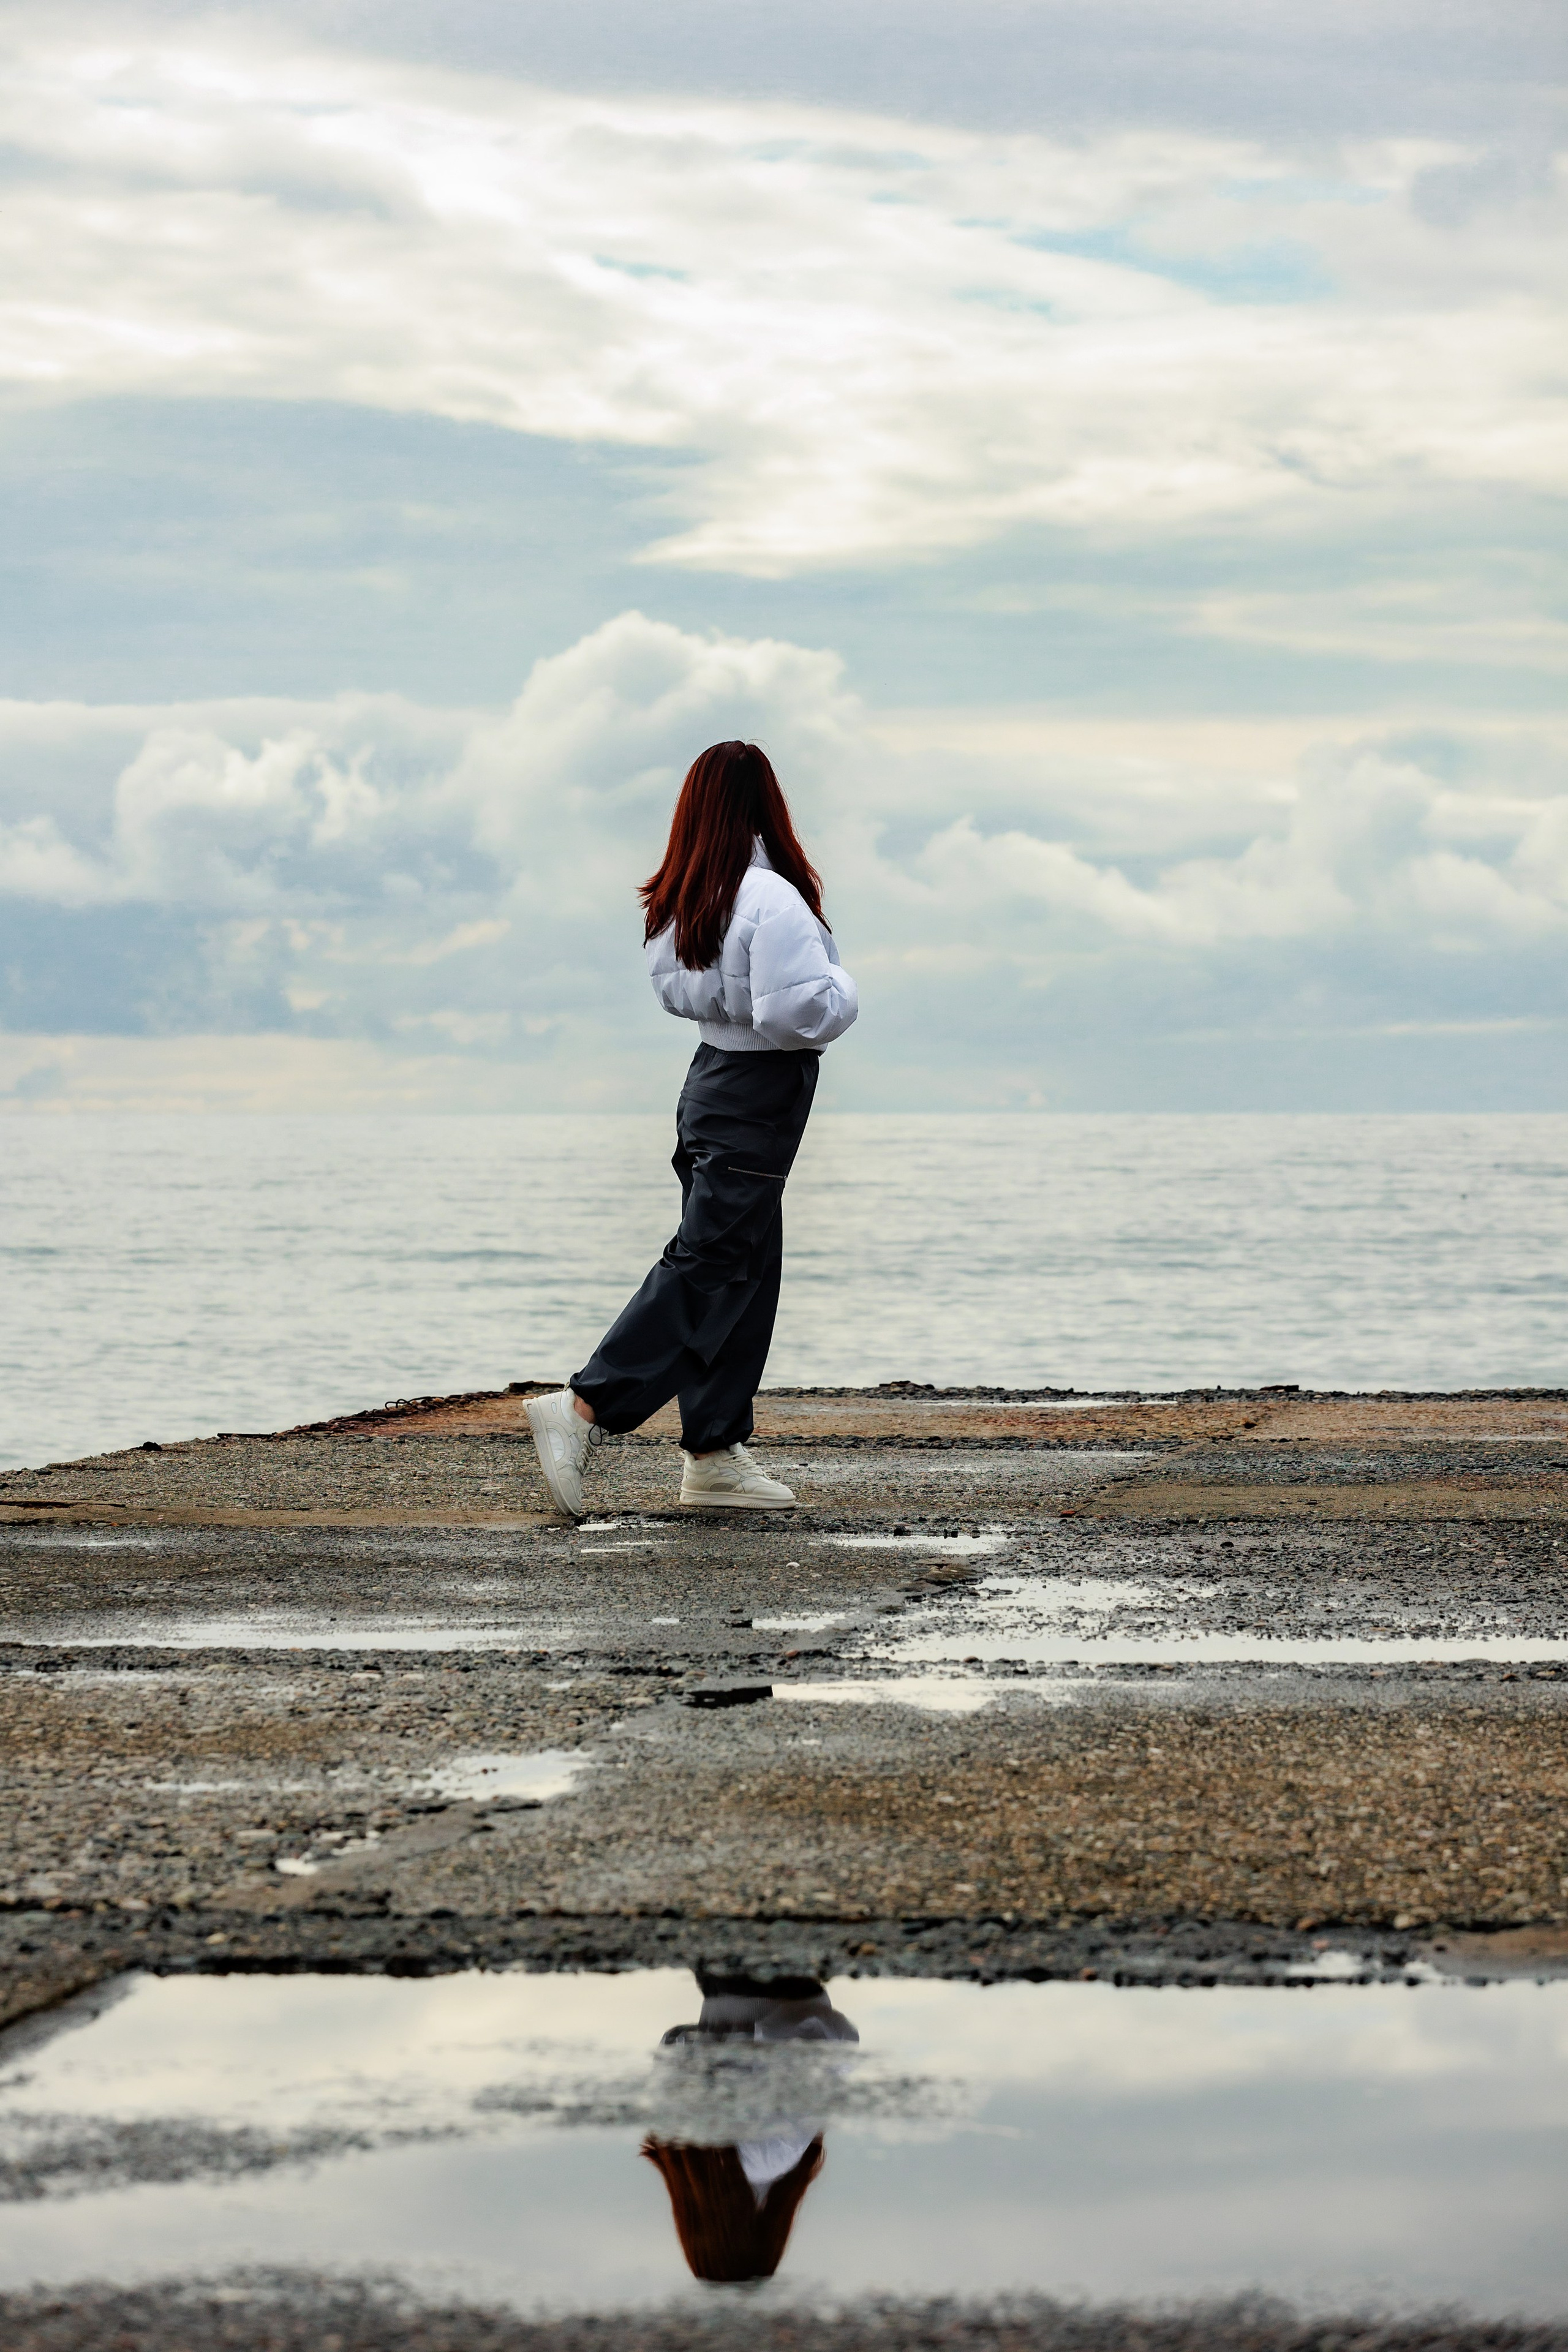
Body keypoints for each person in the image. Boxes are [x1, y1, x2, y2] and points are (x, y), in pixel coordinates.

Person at [526, 740, 857, 1518]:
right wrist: (846, 988)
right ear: (767, 804)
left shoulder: (684, 895)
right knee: (710, 1263)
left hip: (711, 1082)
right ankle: (583, 1407)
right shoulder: (770, 897)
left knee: (742, 1266)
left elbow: (680, 997)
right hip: (756, 1093)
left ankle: (712, 1452)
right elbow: (796, 1011)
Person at [643, 1972, 859, 2285]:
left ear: (767, 2243)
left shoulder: (771, 2159)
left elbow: (817, 2034)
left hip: (782, 1984)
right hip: (715, 1985)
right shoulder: (690, 2162)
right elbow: (672, 2044)